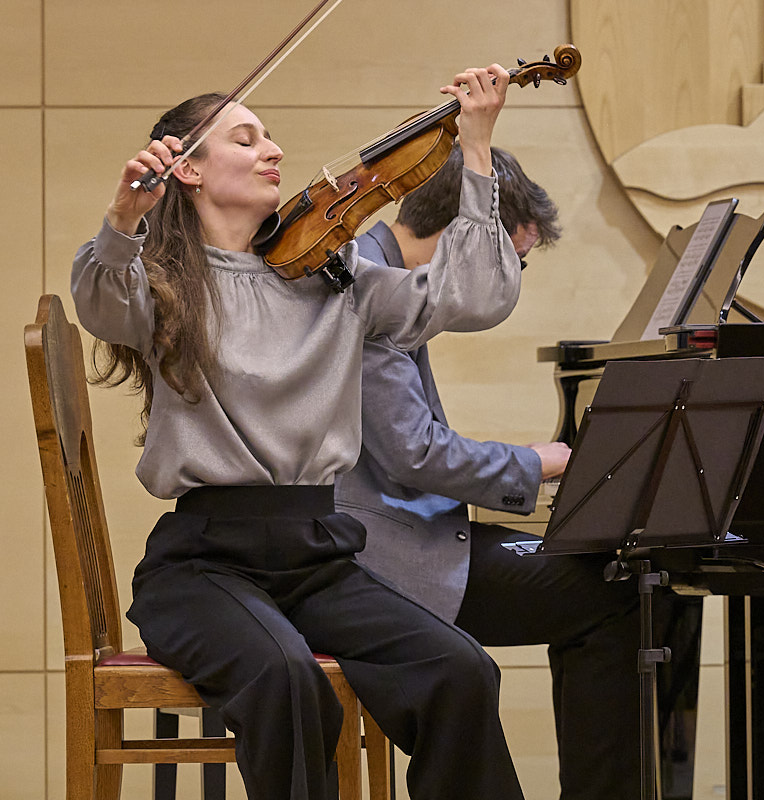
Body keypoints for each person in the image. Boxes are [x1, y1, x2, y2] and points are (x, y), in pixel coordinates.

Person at [72, 67, 528, 800]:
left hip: (320, 559)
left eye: (270, 136)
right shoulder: (160, 281)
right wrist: (124, 217)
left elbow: (474, 297)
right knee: (286, 678)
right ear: (188, 168)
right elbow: (99, 301)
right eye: (246, 139)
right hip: (202, 566)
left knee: (461, 669)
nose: (273, 150)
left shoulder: (334, 275)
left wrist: (475, 148)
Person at [337, 144, 641, 799]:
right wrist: (534, 464)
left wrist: (522, 466)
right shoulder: (370, 284)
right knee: (616, 592)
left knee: (607, 577)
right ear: (466, 234)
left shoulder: (378, 269)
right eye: (512, 263)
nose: (506, 287)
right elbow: (414, 453)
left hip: (391, 531)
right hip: (376, 556)